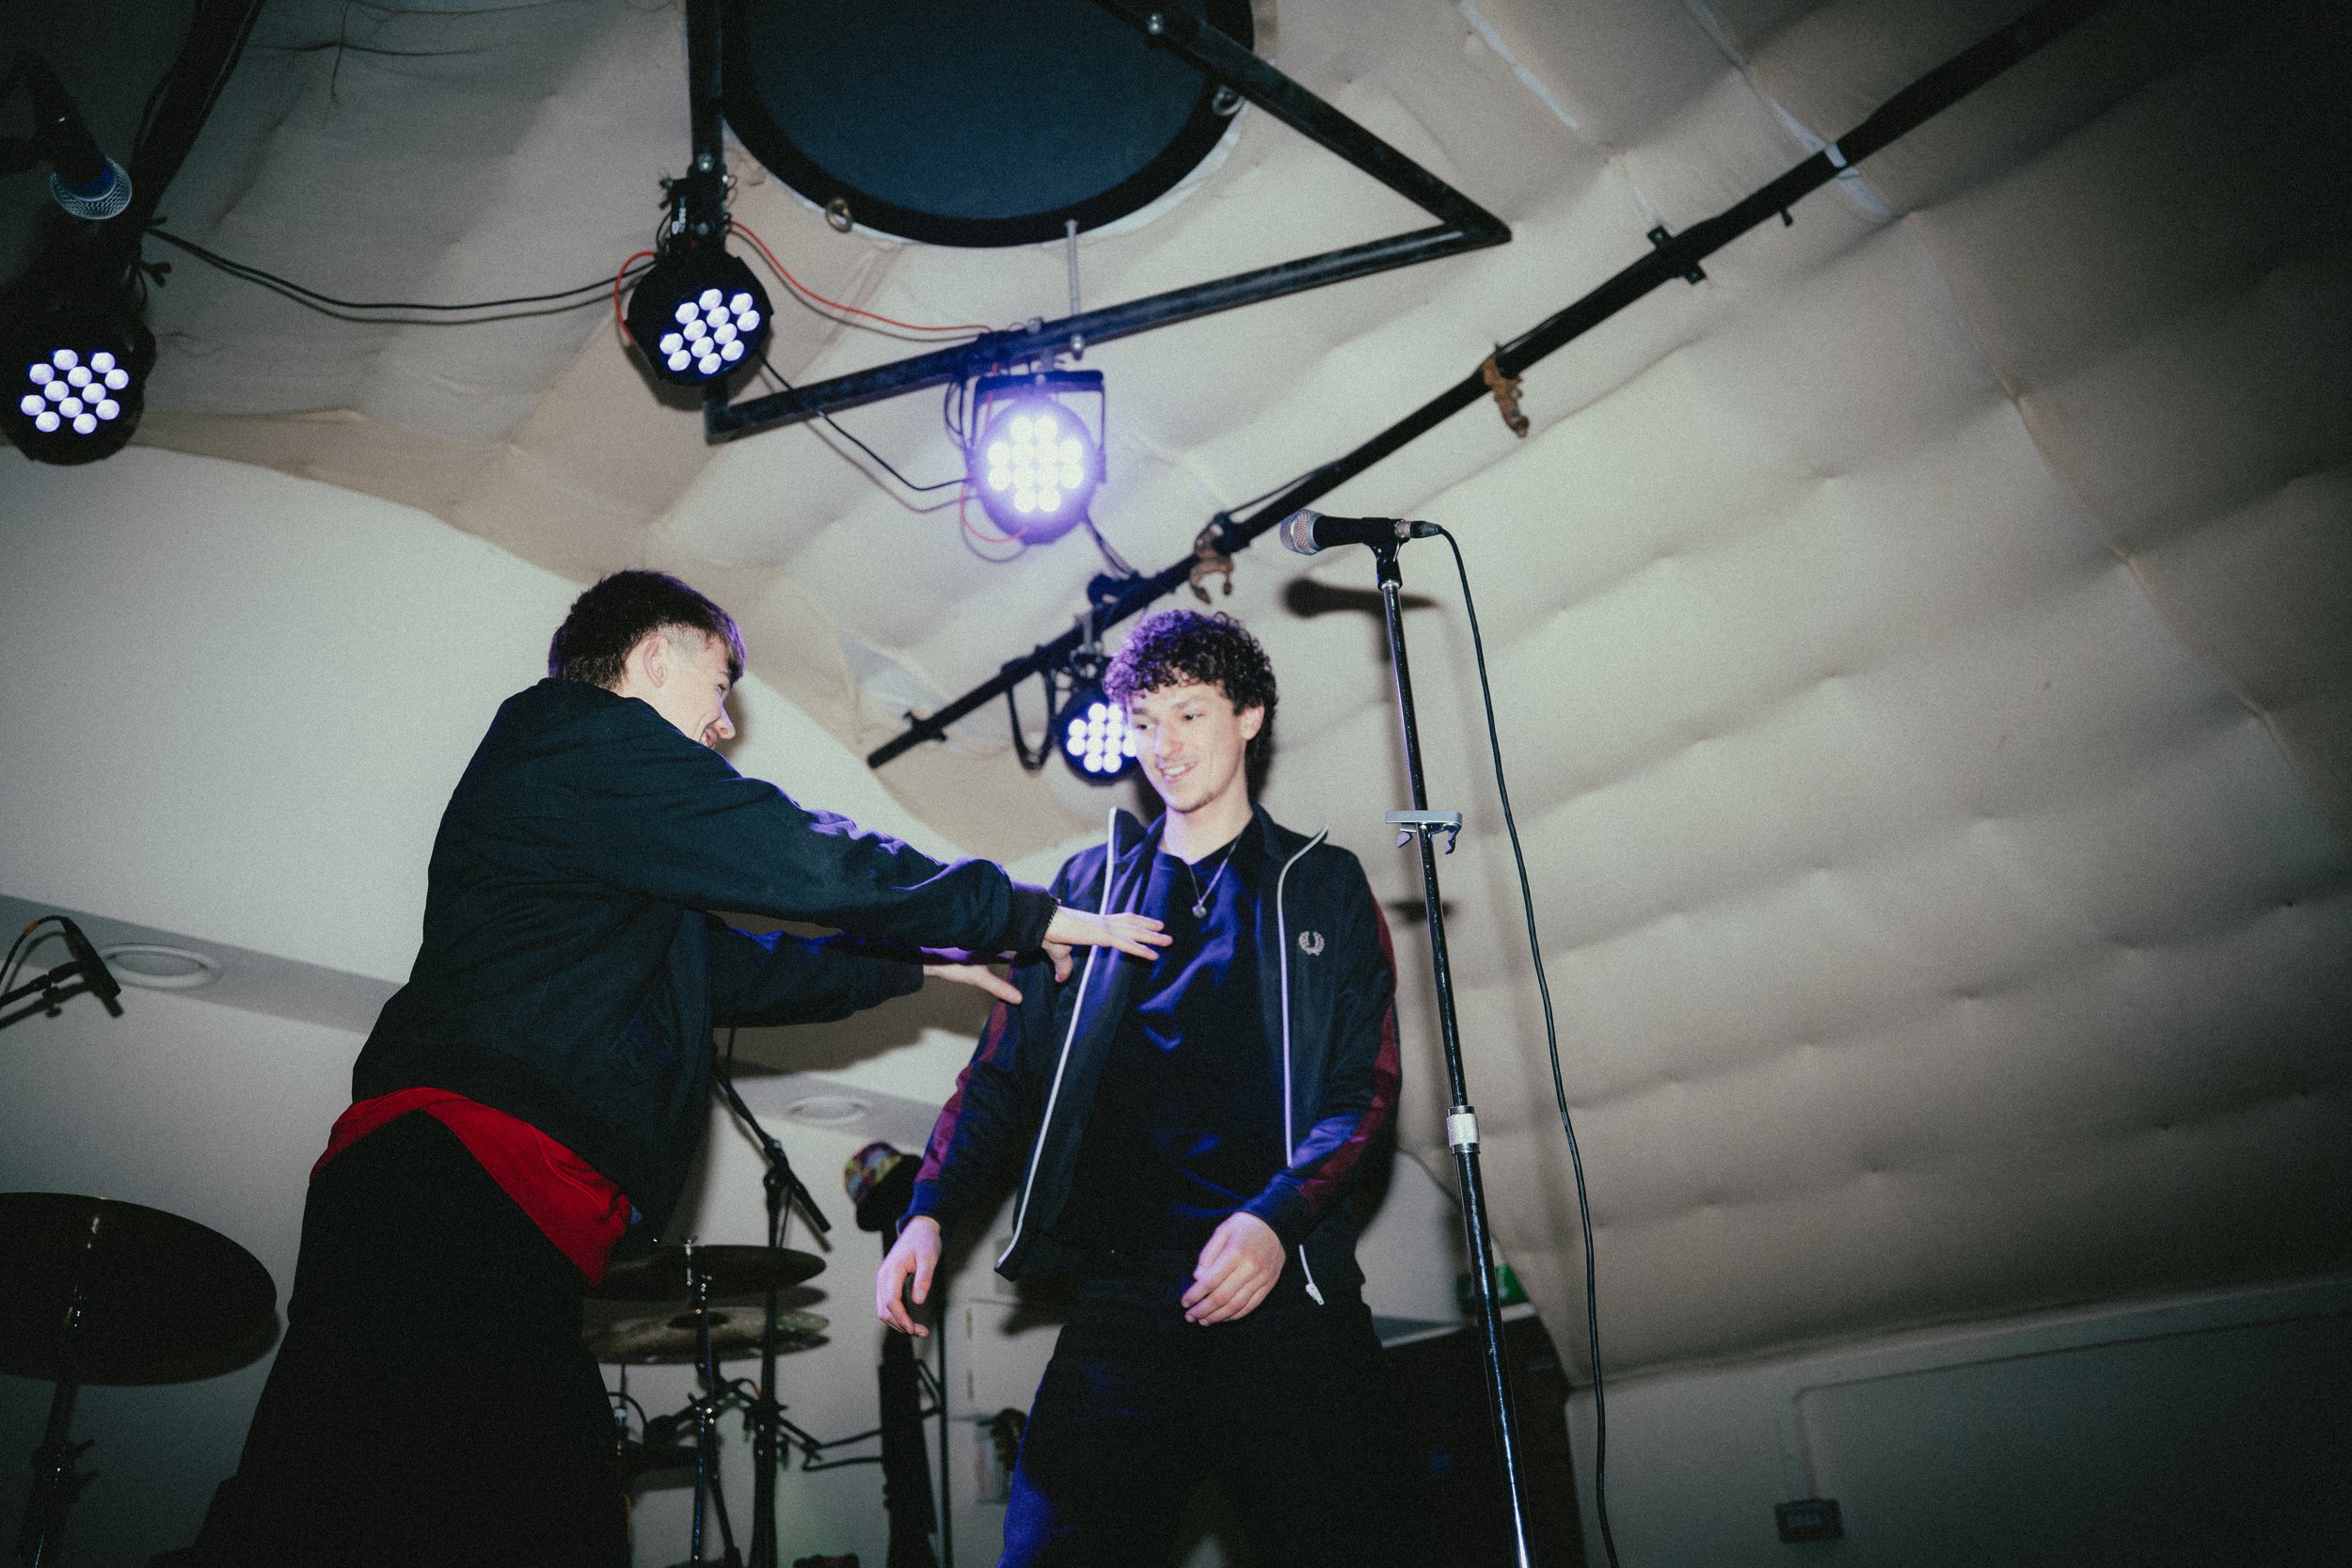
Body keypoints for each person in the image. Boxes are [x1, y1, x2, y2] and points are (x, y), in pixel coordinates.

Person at [186, 570, 1165, 1567]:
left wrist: (922, 963)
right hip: (447, 1192)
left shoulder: (607, 837)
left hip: (473, 1212)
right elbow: (804, 857)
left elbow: (737, 970)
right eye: (720, 680)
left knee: (354, 1503)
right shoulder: (577, 738)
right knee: (434, 1514)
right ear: (655, 653)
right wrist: (1019, 910)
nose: (725, 721)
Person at [877, 609, 1424, 1567]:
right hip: (1123, 1304)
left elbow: (1364, 1086)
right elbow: (999, 1073)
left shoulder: (1320, 884)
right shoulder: (1085, 892)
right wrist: (928, 1207)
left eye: (1188, 712)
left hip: (1281, 1296)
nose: (1162, 745)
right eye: (1143, 719)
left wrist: (1275, 1218)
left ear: (1249, 715)